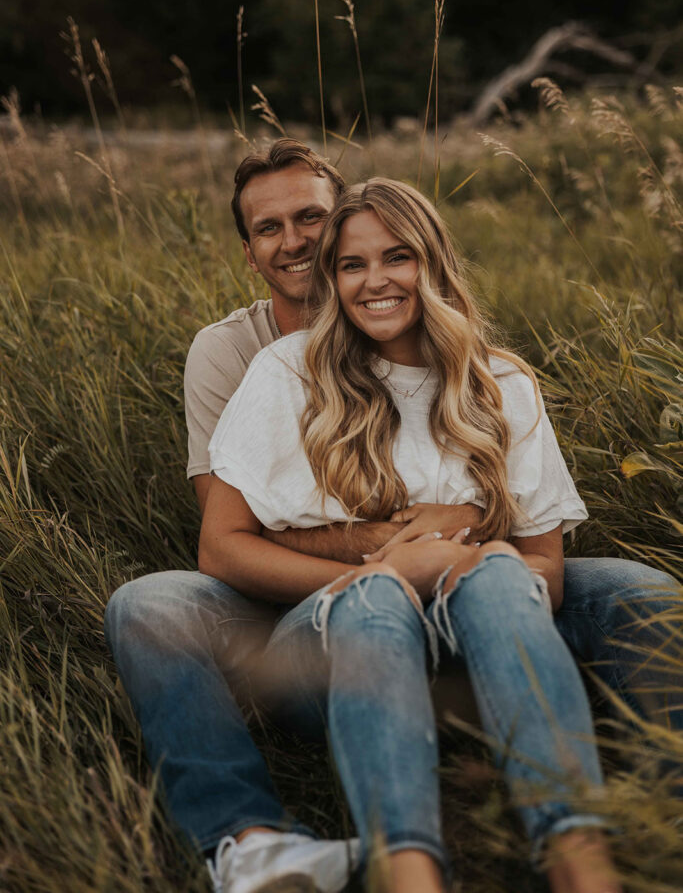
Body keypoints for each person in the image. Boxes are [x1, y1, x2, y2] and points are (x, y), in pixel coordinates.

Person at [104, 141, 682, 893]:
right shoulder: (265, 366)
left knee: (635, 591)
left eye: (315, 220)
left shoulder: (498, 381)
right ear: (251, 252)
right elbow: (228, 540)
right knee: (158, 604)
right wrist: (388, 553)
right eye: (350, 263)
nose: (304, 244)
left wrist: (472, 554)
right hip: (326, 613)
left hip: (476, 597)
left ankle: (630, 827)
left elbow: (536, 558)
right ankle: (276, 845)